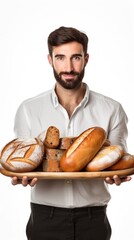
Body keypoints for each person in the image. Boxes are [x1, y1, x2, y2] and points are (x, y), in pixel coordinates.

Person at [12, 26, 131, 240]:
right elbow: (24, 162)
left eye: (76, 57)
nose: (68, 67)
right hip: (44, 218)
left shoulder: (112, 109)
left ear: (86, 59)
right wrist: (23, 176)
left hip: (93, 219)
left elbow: (117, 159)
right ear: (50, 60)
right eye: (60, 58)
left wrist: (117, 175)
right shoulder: (28, 109)